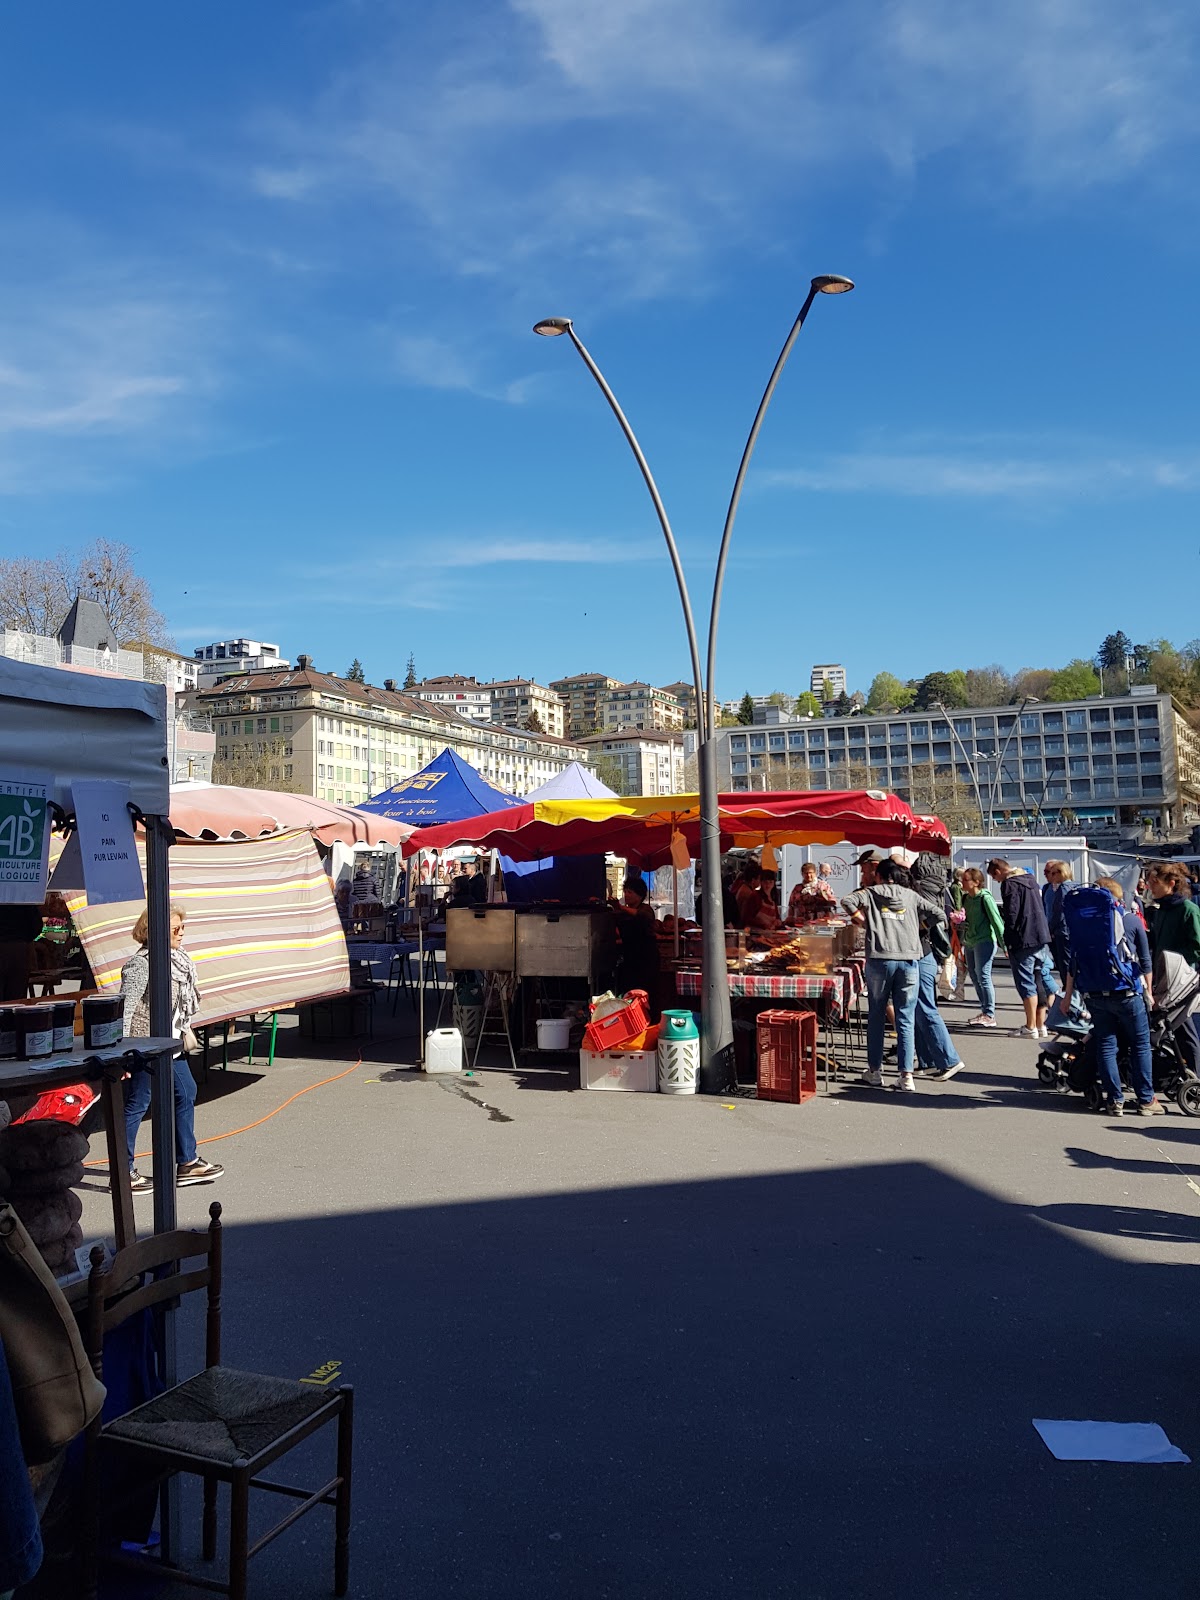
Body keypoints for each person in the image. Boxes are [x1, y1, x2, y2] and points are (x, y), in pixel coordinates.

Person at [120, 903, 224, 1192]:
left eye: (182, 927)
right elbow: (126, 1008)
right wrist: (122, 1054)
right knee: (139, 1103)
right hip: (145, 1045)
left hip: (171, 1042)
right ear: (155, 931)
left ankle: (186, 1162)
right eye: (175, 929)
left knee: (186, 1091)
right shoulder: (142, 963)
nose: (181, 933)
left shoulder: (178, 959)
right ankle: (123, 1170)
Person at [1061, 880, 1161, 1117]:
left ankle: (1115, 1100)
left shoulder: (1082, 921)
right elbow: (1145, 960)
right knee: (1140, 1045)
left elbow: (1072, 964)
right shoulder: (1131, 920)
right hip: (1126, 992)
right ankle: (1146, 1100)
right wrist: (1149, 991)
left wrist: (1067, 997)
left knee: (1106, 1045)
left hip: (1094, 993)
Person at [842, 857, 940, 1092]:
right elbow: (939, 914)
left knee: (876, 1014)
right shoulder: (911, 895)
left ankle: (875, 1071)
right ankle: (906, 1076)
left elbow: (847, 901)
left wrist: (864, 922)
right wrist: (919, 928)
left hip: (880, 960)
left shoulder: (871, 892)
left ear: (879, 875)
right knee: (905, 1018)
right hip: (908, 961)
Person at [892, 863, 962, 1082]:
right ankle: (928, 1061)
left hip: (921, 954)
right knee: (918, 1010)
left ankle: (949, 1059)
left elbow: (936, 916)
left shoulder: (913, 896)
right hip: (923, 954)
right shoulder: (918, 893)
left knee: (925, 1008)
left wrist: (919, 926)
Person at [987, 857, 1060, 1038]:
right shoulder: (1030, 879)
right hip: (1040, 935)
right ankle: (1040, 1024)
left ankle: (1030, 1026)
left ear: (997, 871)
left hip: (1023, 938)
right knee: (1038, 980)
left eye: (995, 878)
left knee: (1026, 983)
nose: (996, 881)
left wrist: (1007, 939)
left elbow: (1012, 914)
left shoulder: (1009, 883)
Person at [609, 878, 661, 1018]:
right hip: (630, 958)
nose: (627, 895)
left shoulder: (645, 909)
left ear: (639, 895)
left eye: (630, 892)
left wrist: (621, 908)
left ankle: (650, 1021)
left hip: (646, 958)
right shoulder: (622, 914)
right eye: (625, 892)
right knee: (630, 992)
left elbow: (643, 916)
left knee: (646, 992)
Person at [960, 867, 1004, 1026]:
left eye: (965, 880)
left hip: (984, 941)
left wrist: (1004, 945)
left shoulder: (985, 898)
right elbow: (966, 919)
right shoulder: (966, 898)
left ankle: (989, 1014)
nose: (962, 883)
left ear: (976, 882)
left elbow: (996, 921)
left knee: (983, 976)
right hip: (970, 941)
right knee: (974, 975)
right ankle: (985, 1010)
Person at [1144, 861, 1200, 968]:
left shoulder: (1188, 909)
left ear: (1171, 883)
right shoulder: (1162, 909)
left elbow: (1197, 948)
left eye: (1155, 882)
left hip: (1181, 976)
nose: (1150, 887)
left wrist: (1172, 960)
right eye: (1149, 883)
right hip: (1162, 974)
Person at [0, 902, 42, 1002]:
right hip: (19, 949)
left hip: (16, 946)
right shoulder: (22, 895)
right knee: (15, 1000)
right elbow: (36, 925)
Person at [1041, 860, 1074, 975]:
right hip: (1053, 932)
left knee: (1066, 963)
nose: (1047, 874)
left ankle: (1071, 991)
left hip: (1062, 932)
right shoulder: (1047, 888)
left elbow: (1059, 912)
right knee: (1060, 963)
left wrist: (1050, 929)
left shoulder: (1065, 888)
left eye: (1050, 872)